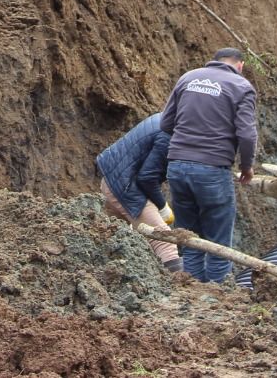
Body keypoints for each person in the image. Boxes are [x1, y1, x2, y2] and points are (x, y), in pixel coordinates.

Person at [160, 47, 257, 283]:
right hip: (212, 169)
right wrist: (247, 166)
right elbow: (247, 134)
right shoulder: (241, 87)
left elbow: (165, 122)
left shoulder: (188, 78)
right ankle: (218, 292)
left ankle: (193, 288)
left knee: (190, 236)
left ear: (214, 62)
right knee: (218, 240)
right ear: (240, 65)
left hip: (177, 167)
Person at [96, 114, 181, 272]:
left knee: (110, 237)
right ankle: (179, 289)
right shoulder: (170, 136)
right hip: (124, 186)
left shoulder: (167, 119)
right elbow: (147, 178)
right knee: (164, 240)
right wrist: (162, 208)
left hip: (115, 179)